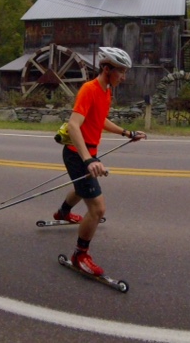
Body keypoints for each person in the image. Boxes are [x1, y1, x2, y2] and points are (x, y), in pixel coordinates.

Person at [53, 46, 146, 276]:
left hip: (87, 152)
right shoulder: (89, 89)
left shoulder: (106, 91)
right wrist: (88, 160)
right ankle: (80, 255)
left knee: (81, 188)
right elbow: (74, 125)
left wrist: (126, 133)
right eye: (121, 72)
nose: (124, 77)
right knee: (97, 208)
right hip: (77, 153)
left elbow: (100, 119)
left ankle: (63, 213)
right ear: (107, 69)